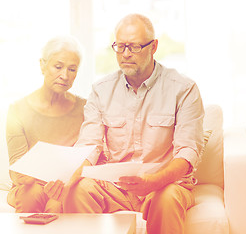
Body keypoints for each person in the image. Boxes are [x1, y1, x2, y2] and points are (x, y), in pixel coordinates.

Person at [61, 14, 205, 234]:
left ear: (153, 46)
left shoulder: (183, 89)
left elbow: (187, 154)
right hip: (115, 187)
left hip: (164, 185)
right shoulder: (101, 90)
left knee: (167, 200)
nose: (125, 54)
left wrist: (153, 182)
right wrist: (68, 179)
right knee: (77, 190)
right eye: (120, 47)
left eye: (134, 47)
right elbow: (89, 146)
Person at [6, 35, 86, 213]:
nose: (64, 75)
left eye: (72, 69)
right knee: (31, 194)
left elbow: (90, 157)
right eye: (58, 67)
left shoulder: (85, 108)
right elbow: (17, 170)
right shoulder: (18, 110)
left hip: (67, 183)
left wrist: (64, 183)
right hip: (30, 185)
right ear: (43, 65)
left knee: (57, 204)